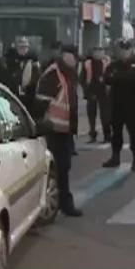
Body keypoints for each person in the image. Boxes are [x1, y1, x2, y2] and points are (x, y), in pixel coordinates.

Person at [35, 44, 83, 218]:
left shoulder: (68, 74)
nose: (74, 60)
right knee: (56, 170)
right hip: (52, 131)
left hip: (64, 131)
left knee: (63, 169)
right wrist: (42, 125)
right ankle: (58, 205)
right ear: (64, 56)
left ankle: (61, 203)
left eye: (76, 57)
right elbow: (40, 103)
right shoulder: (53, 74)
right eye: (71, 56)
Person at [102, 40, 135, 171]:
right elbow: (106, 79)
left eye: (126, 50)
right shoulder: (113, 65)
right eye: (121, 50)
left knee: (133, 133)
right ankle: (115, 157)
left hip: (131, 104)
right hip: (116, 103)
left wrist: (118, 78)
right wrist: (122, 78)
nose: (124, 53)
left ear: (130, 51)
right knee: (116, 132)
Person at [81, 45, 112, 143]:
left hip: (104, 93)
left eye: (101, 51)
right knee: (91, 116)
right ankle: (92, 135)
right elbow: (82, 79)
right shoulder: (87, 64)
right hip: (91, 92)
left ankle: (107, 136)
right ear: (93, 53)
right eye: (96, 51)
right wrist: (87, 92)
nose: (98, 53)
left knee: (105, 116)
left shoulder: (107, 63)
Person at [7, 37, 41, 114]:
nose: (23, 49)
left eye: (25, 47)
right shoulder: (11, 60)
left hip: (29, 96)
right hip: (14, 95)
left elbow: (37, 77)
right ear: (16, 47)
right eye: (21, 47)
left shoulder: (33, 60)